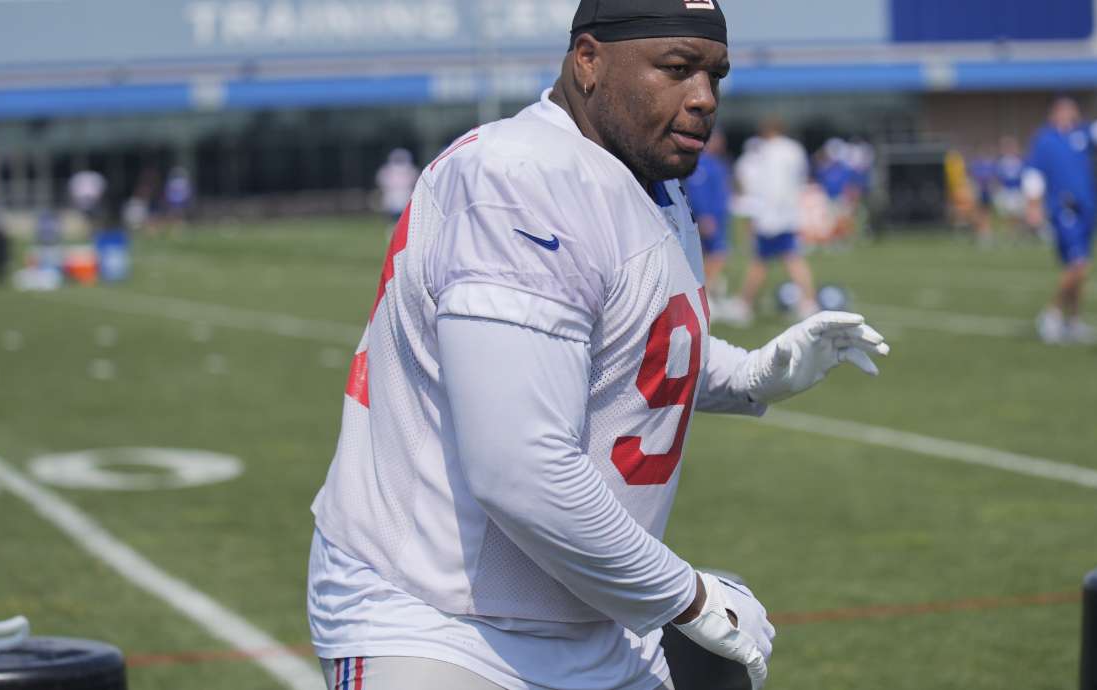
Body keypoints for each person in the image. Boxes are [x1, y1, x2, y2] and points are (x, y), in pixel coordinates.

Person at [308, 2, 890, 690]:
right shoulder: (524, 180)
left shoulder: (646, 179)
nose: (703, 98)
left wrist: (758, 373)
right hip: (439, 622)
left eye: (715, 75)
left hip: (587, 621)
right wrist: (689, 598)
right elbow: (519, 464)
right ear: (588, 59)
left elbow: (637, 356)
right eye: (676, 69)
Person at [725, 118, 818, 325]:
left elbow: (756, 183)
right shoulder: (795, 149)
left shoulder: (764, 152)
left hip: (770, 215)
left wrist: (760, 214)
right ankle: (808, 302)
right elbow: (801, 177)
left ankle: (744, 304)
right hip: (788, 213)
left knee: (763, 260)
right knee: (788, 258)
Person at [1023, 97, 1097, 344]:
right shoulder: (1046, 140)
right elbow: (1034, 173)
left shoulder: (1082, 136)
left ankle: (1074, 321)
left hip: (1086, 208)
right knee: (1078, 264)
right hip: (1064, 208)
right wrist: (1033, 206)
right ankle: (1052, 313)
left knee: (1081, 268)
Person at [683, 129, 733, 310]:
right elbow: (697, 193)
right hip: (709, 218)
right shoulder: (701, 164)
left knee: (707, 257)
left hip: (719, 217)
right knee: (718, 255)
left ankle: (706, 294)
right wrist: (704, 216)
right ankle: (704, 297)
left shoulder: (717, 162)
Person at [375, 148, 419, 227]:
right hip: (394, 195)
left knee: (402, 218)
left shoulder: (409, 169)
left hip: (404, 195)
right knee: (394, 218)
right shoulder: (388, 170)